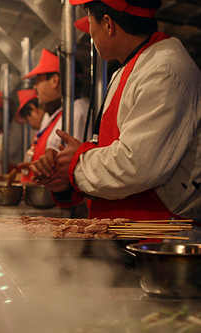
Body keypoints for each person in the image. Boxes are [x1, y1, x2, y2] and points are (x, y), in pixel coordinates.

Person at [30, 0, 201, 234]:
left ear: (108, 24)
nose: (89, 32)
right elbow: (113, 149)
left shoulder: (163, 70)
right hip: (130, 229)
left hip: (157, 237)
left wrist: (75, 166)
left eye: (89, 19)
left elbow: (136, 165)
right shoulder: (131, 66)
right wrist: (68, 176)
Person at [17, 49, 91, 183]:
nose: (35, 86)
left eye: (38, 80)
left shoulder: (78, 112)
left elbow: (77, 170)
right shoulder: (54, 114)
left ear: (54, 80)